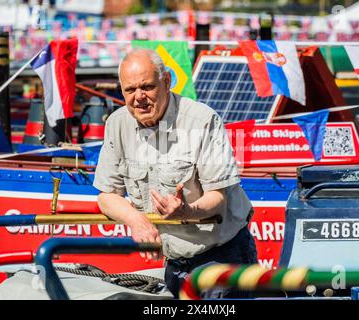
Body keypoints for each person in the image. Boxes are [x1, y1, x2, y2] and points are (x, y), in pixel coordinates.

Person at [93, 48, 257, 298]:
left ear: (167, 82)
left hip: (222, 258)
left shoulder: (202, 120)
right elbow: (107, 196)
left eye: (147, 87)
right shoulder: (117, 124)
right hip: (175, 263)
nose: (139, 97)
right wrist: (137, 221)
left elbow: (218, 197)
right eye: (129, 90)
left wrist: (186, 211)